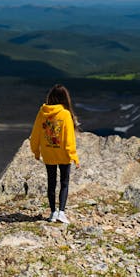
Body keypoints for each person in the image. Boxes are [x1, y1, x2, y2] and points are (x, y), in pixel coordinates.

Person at [30, 84, 80, 224]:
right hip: (63, 153)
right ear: (65, 98)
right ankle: (61, 213)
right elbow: (69, 137)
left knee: (51, 182)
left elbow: (35, 133)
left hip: (48, 152)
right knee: (64, 182)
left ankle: (52, 212)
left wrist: (36, 150)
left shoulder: (42, 112)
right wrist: (73, 155)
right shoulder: (65, 114)